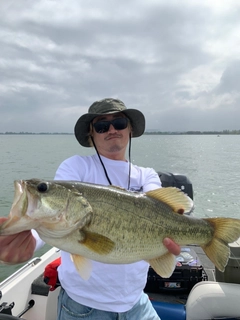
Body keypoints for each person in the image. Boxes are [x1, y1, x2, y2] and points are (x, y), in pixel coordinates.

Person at [0, 98, 181, 320]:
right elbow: (55, 221)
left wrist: (179, 229)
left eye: (120, 122)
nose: (112, 129)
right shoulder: (76, 168)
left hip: (137, 303)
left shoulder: (147, 175)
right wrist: (29, 241)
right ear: (91, 134)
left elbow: (161, 212)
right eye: (102, 126)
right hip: (83, 308)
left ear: (130, 129)